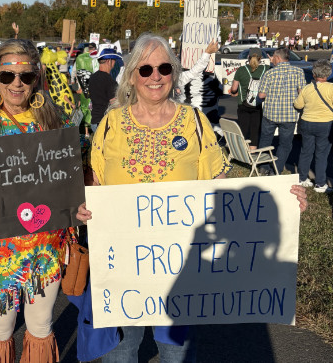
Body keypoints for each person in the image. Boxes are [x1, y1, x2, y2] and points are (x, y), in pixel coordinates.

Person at [76, 33, 307, 363]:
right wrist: (84, 208)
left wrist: (284, 204)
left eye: (164, 68)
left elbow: (220, 190)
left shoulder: (195, 122)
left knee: (176, 353)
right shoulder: (111, 124)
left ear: (174, 73)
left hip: (180, 267)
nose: (155, 76)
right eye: (145, 69)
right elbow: (94, 184)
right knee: (122, 352)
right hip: (122, 267)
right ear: (131, 76)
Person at [0, 39, 78, 362]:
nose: (17, 84)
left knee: (40, 324)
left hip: (44, 247)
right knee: (0, 329)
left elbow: (72, 178)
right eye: (8, 75)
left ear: (36, 77)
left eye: (25, 76)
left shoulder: (56, 124)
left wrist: (79, 201)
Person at [257, 46, 307, 175]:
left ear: (278, 58)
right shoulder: (298, 72)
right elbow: (302, 93)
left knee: (265, 141)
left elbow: (261, 95)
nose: (272, 59)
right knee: (285, 144)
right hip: (289, 115)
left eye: (273, 57)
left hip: (270, 114)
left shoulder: (269, 73)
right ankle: (277, 170)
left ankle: (263, 167)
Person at [294, 58, 333, 192]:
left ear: (314, 74)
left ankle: (302, 178)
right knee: (322, 154)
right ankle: (320, 183)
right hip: (326, 124)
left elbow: (298, 105)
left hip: (307, 122)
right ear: (328, 74)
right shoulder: (331, 88)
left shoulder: (307, 88)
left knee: (306, 151)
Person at [229, 47, 266, 149]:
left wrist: (233, 92)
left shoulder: (241, 70)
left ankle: (242, 151)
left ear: (248, 57)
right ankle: (252, 152)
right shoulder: (265, 69)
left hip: (243, 104)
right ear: (260, 58)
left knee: (243, 129)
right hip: (257, 104)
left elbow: (234, 88)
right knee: (254, 131)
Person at [88, 47, 119, 130]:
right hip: (105, 122)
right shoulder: (109, 81)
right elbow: (115, 103)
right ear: (109, 61)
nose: (115, 63)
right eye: (114, 60)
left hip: (94, 121)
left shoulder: (92, 77)